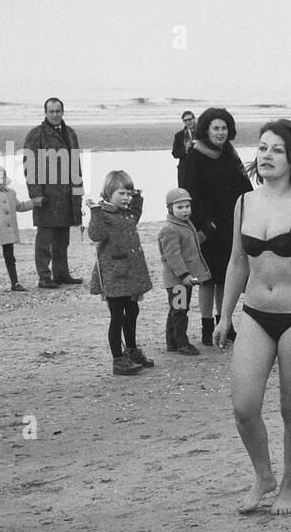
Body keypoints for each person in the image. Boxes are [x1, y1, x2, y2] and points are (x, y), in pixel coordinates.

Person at [213, 121, 291, 514]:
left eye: (277, 150)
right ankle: (263, 476)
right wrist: (223, 317)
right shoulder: (244, 203)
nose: (266, 156)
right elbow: (238, 261)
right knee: (244, 407)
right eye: (262, 148)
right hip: (254, 314)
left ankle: (289, 485)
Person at [182, 108, 253, 345]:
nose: (220, 133)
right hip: (206, 227)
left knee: (226, 277)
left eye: (224, 128)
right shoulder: (194, 156)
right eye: (215, 128)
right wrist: (204, 225)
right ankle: (205, 328)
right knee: (207, 279)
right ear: (206, 129)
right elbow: (189, 193)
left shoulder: (230, 153)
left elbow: (245, 185)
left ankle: (225, 323)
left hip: (231, 224)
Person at [87, 171, 153, 376]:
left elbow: (136, 214)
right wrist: (95, 212)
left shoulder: (127, 213)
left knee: (132, 311)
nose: (127, 198)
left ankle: (131, 350)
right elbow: (95, 235)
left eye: (129, 194)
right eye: (122, 193)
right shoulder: (103, 214)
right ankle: (118, 360)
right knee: (117, 316)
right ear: (109, 192)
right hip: (113, 275)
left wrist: (138, 198)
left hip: (130, 275)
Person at [23, 97, 84, 288]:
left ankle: (61, 274)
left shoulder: (71, 133)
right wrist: (36, 194)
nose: (55, 115)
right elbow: (29, 166)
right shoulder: (36, 134)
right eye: (51, 111)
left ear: (63, 112)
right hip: (47, 195)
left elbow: (77, 165)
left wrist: (78, 192)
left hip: (67, 195)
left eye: (58, 111)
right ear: (45, 112)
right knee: (44, 241)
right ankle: (44, 277)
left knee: (62, 239)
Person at [158, 188, 211, 355]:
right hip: (178, 281)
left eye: (187, 206)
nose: (185, 210)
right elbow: (172, 255)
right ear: (170, 209)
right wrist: (184, 275)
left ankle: (172, 342)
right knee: (180, 311)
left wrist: (207, 232)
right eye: (179, 207)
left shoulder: (185, 225)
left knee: (177, 309)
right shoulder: (170, 228)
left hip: (182, 280)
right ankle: (181, 343)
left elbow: (191, 244)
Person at [0, 165, 40, 294]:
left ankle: (15, 283)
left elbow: (19, 206)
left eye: (2, 177)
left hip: (8, 233)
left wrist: (34, 203)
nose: (0, 180)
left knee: (10, 258)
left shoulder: (10, 193)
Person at [172, 110, 197, 184]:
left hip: (200, 168)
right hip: (185, 170)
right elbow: (175, 154)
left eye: (189, 119)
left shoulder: (202, 133)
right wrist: (185, 148)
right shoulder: (179, 135)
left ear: (194, 119)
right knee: (184, 194)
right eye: (185, 120)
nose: (188, 122)